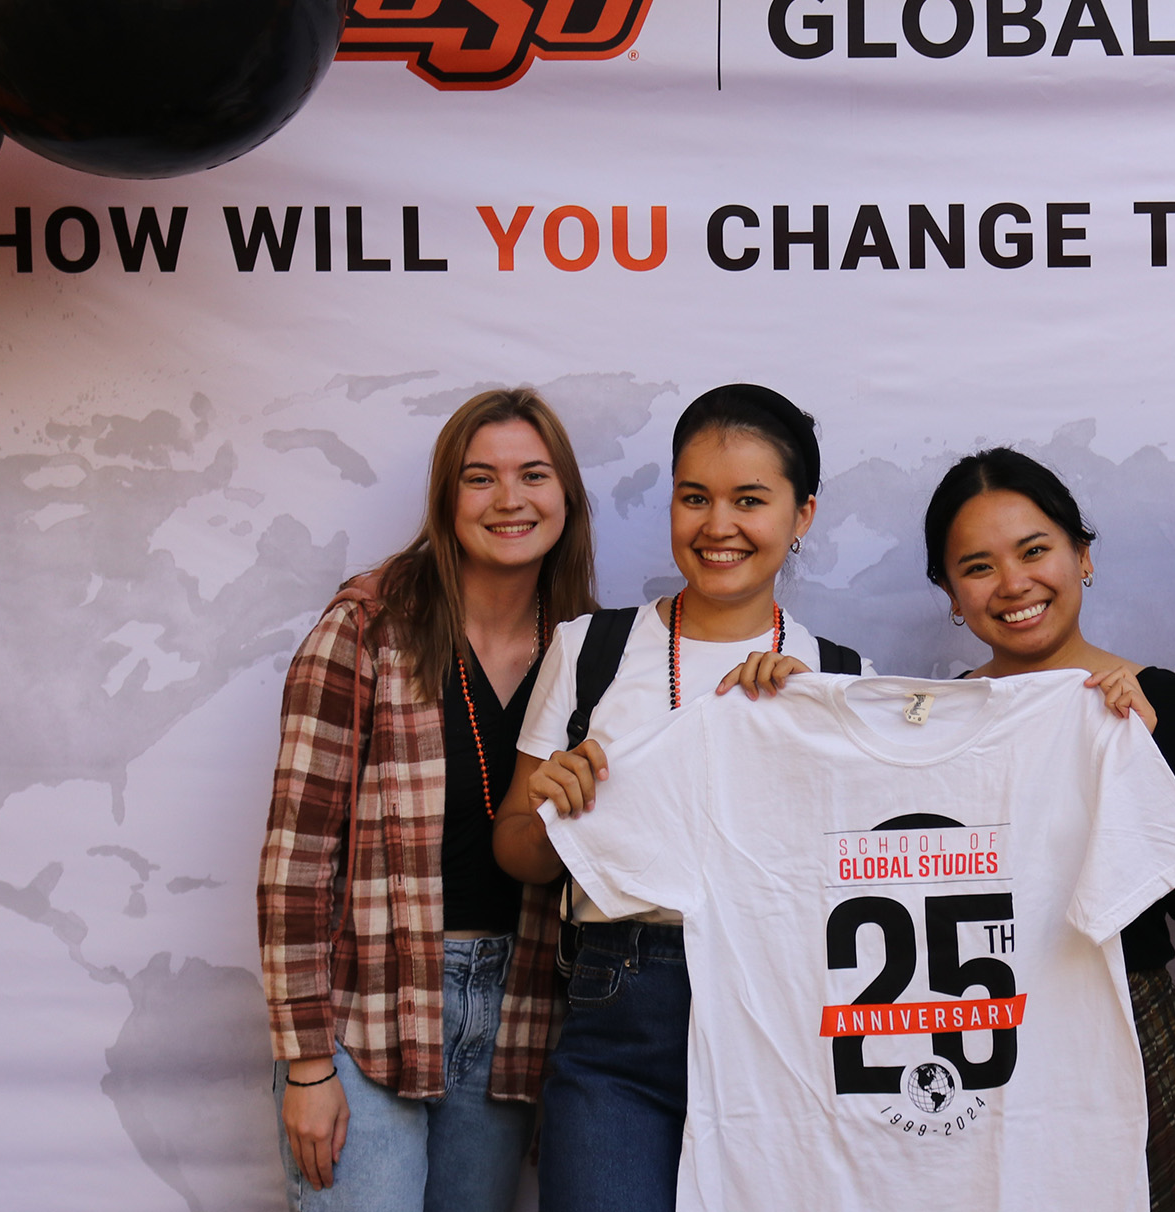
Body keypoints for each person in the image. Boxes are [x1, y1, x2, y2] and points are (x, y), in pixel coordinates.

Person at [494, 383, 870, 1212]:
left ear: (802, 516)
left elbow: (861, 877)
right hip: (616, 1017)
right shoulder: (589, 649)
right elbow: (516, 850)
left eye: (750, 500)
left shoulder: (840, 679)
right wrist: (554, 814)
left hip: (783, 1021)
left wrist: (815, 729)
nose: (718, 525)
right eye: (694, 497)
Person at [258, 387, 599, 1211]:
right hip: (371, 1007)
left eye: (534, 475)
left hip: (516, 1011)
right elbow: (295, 863)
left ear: (567, 497)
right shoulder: (369, 626)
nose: (509, 500)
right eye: (480, 478)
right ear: (447, 499)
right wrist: (307, 1066)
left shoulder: (589, 649)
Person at [924, 447, 1175, 1212]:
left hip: (1124, 1028)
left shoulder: (1163, 706)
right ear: (950, 594)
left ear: (1083, 556)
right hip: (977, 1037)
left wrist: (1142, 764)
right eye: (977, 566)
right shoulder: (935, 722)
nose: (1013, 583)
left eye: (1036, 550)